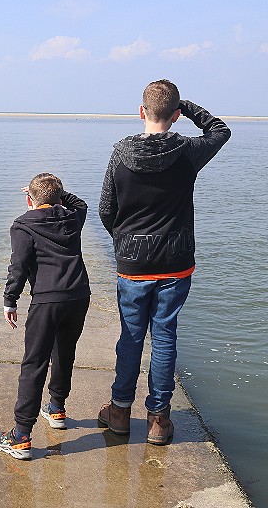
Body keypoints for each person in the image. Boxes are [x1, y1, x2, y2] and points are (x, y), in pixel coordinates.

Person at [97, 79, 230, 445]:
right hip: (175, 263)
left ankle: (120, 412)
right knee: (165, 337)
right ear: (174, 115)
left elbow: (106, 209)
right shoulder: (188, 151)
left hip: (132, 264)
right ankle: (158, 419)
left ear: (141, 112)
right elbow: (220, 130)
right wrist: (185, 106)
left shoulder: (121, 153)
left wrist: (126, 243)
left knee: (131, 337)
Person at [0, 173, 91, 460]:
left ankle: (21, 436)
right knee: (65, 353)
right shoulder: (73, 217)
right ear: (60, 199)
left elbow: (18, 266)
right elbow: (80, 203)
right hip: (78, 296)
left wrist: (10, 300)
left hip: (47, 300)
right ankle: (57, 409)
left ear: (28, 200)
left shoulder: (23, 225)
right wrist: (58, 195)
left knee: (34, 363)